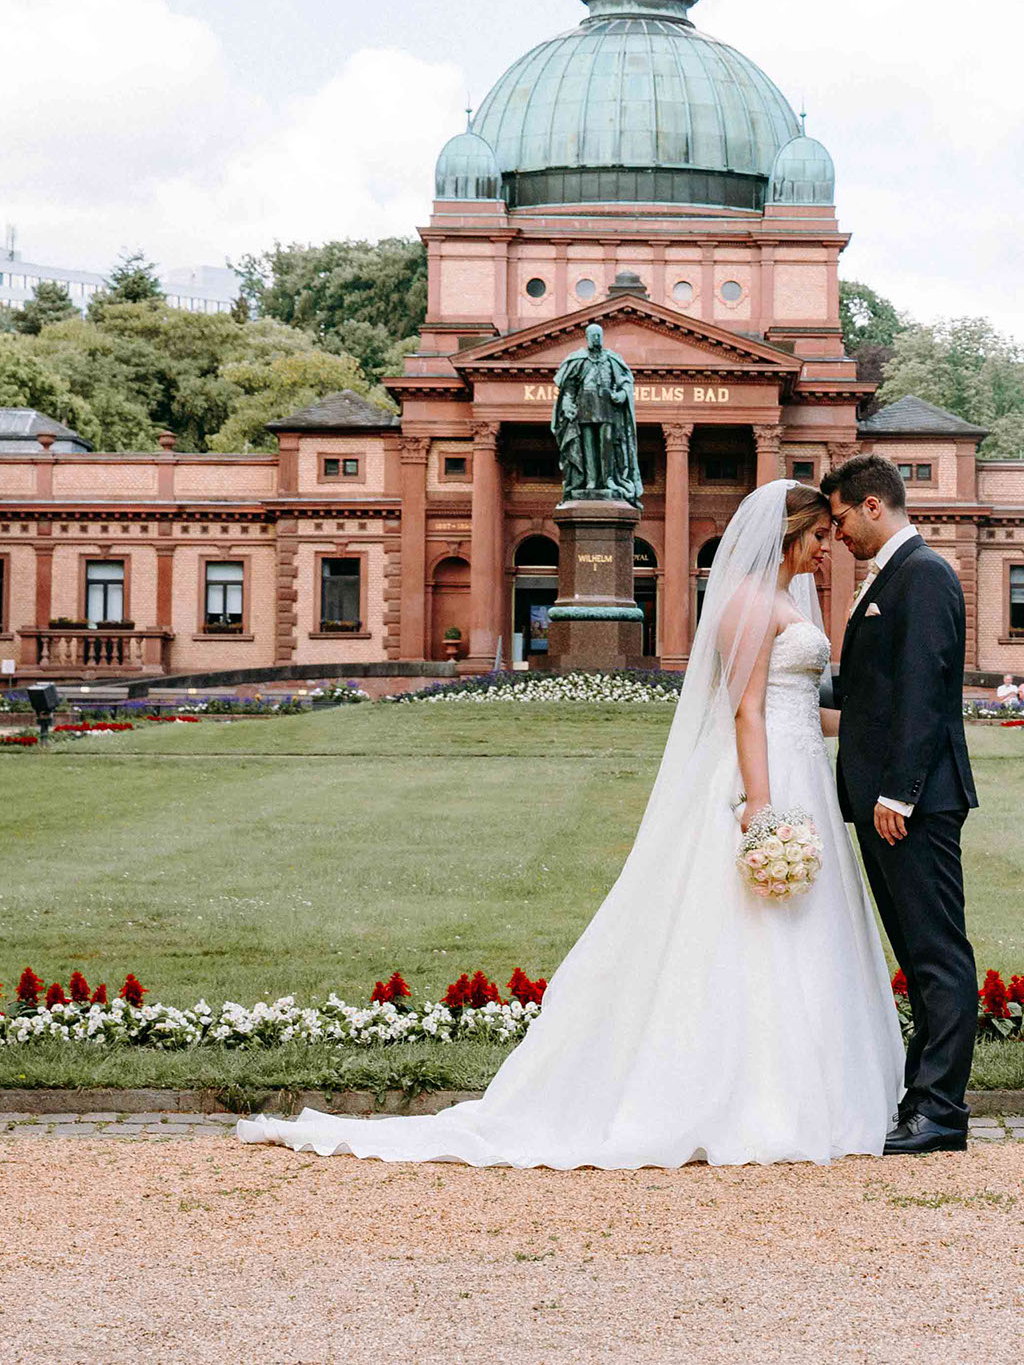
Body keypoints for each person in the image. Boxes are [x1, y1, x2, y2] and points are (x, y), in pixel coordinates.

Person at [237, 480, 898, 1168]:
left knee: (806, 928)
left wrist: (882, 729)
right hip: (767, 778)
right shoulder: (747, 605)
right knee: (748, 926)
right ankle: (751, 1099)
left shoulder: (786, 601)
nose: (829, 550)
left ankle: (801, 1086)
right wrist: (761, 805)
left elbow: (796, 708)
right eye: (820, 537)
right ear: (790, 535)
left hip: (802, 773)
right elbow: (747, 711)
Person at [824, 452, 980, 1156]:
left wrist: (900, 792)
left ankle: (941, 1112)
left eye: (840, 519)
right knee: (917, 959)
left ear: (872, 506)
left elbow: (924, 689)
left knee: (938, 954)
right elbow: (872, 690)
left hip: (911, 803)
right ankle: (923, 1098)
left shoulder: (926, 575)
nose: (837, 535)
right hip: (882, 801)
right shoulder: (890, 577)